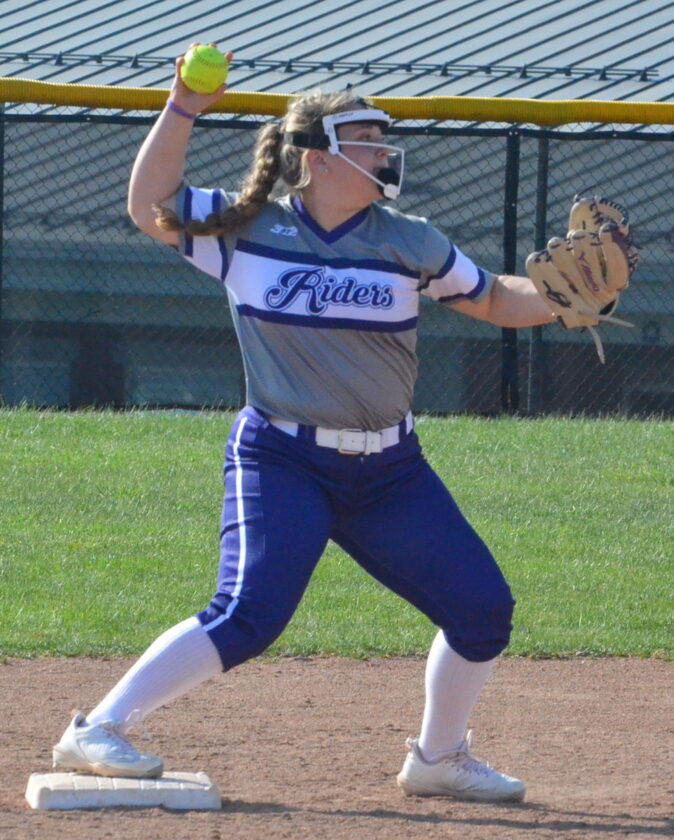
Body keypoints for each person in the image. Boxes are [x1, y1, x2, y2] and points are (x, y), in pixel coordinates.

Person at [52, 45, 556, 802]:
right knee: (249, 612)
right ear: (317, 158)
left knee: (483, 610)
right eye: (368, 140)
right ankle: (98, 727)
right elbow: (148, 203)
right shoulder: (245, 227)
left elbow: (493, 299)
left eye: (385, 138)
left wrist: (565, 296)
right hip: (283, 460)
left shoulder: (409, 237)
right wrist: (184, 106)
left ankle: (439, 758)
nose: (386, 151)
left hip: (390, 470)